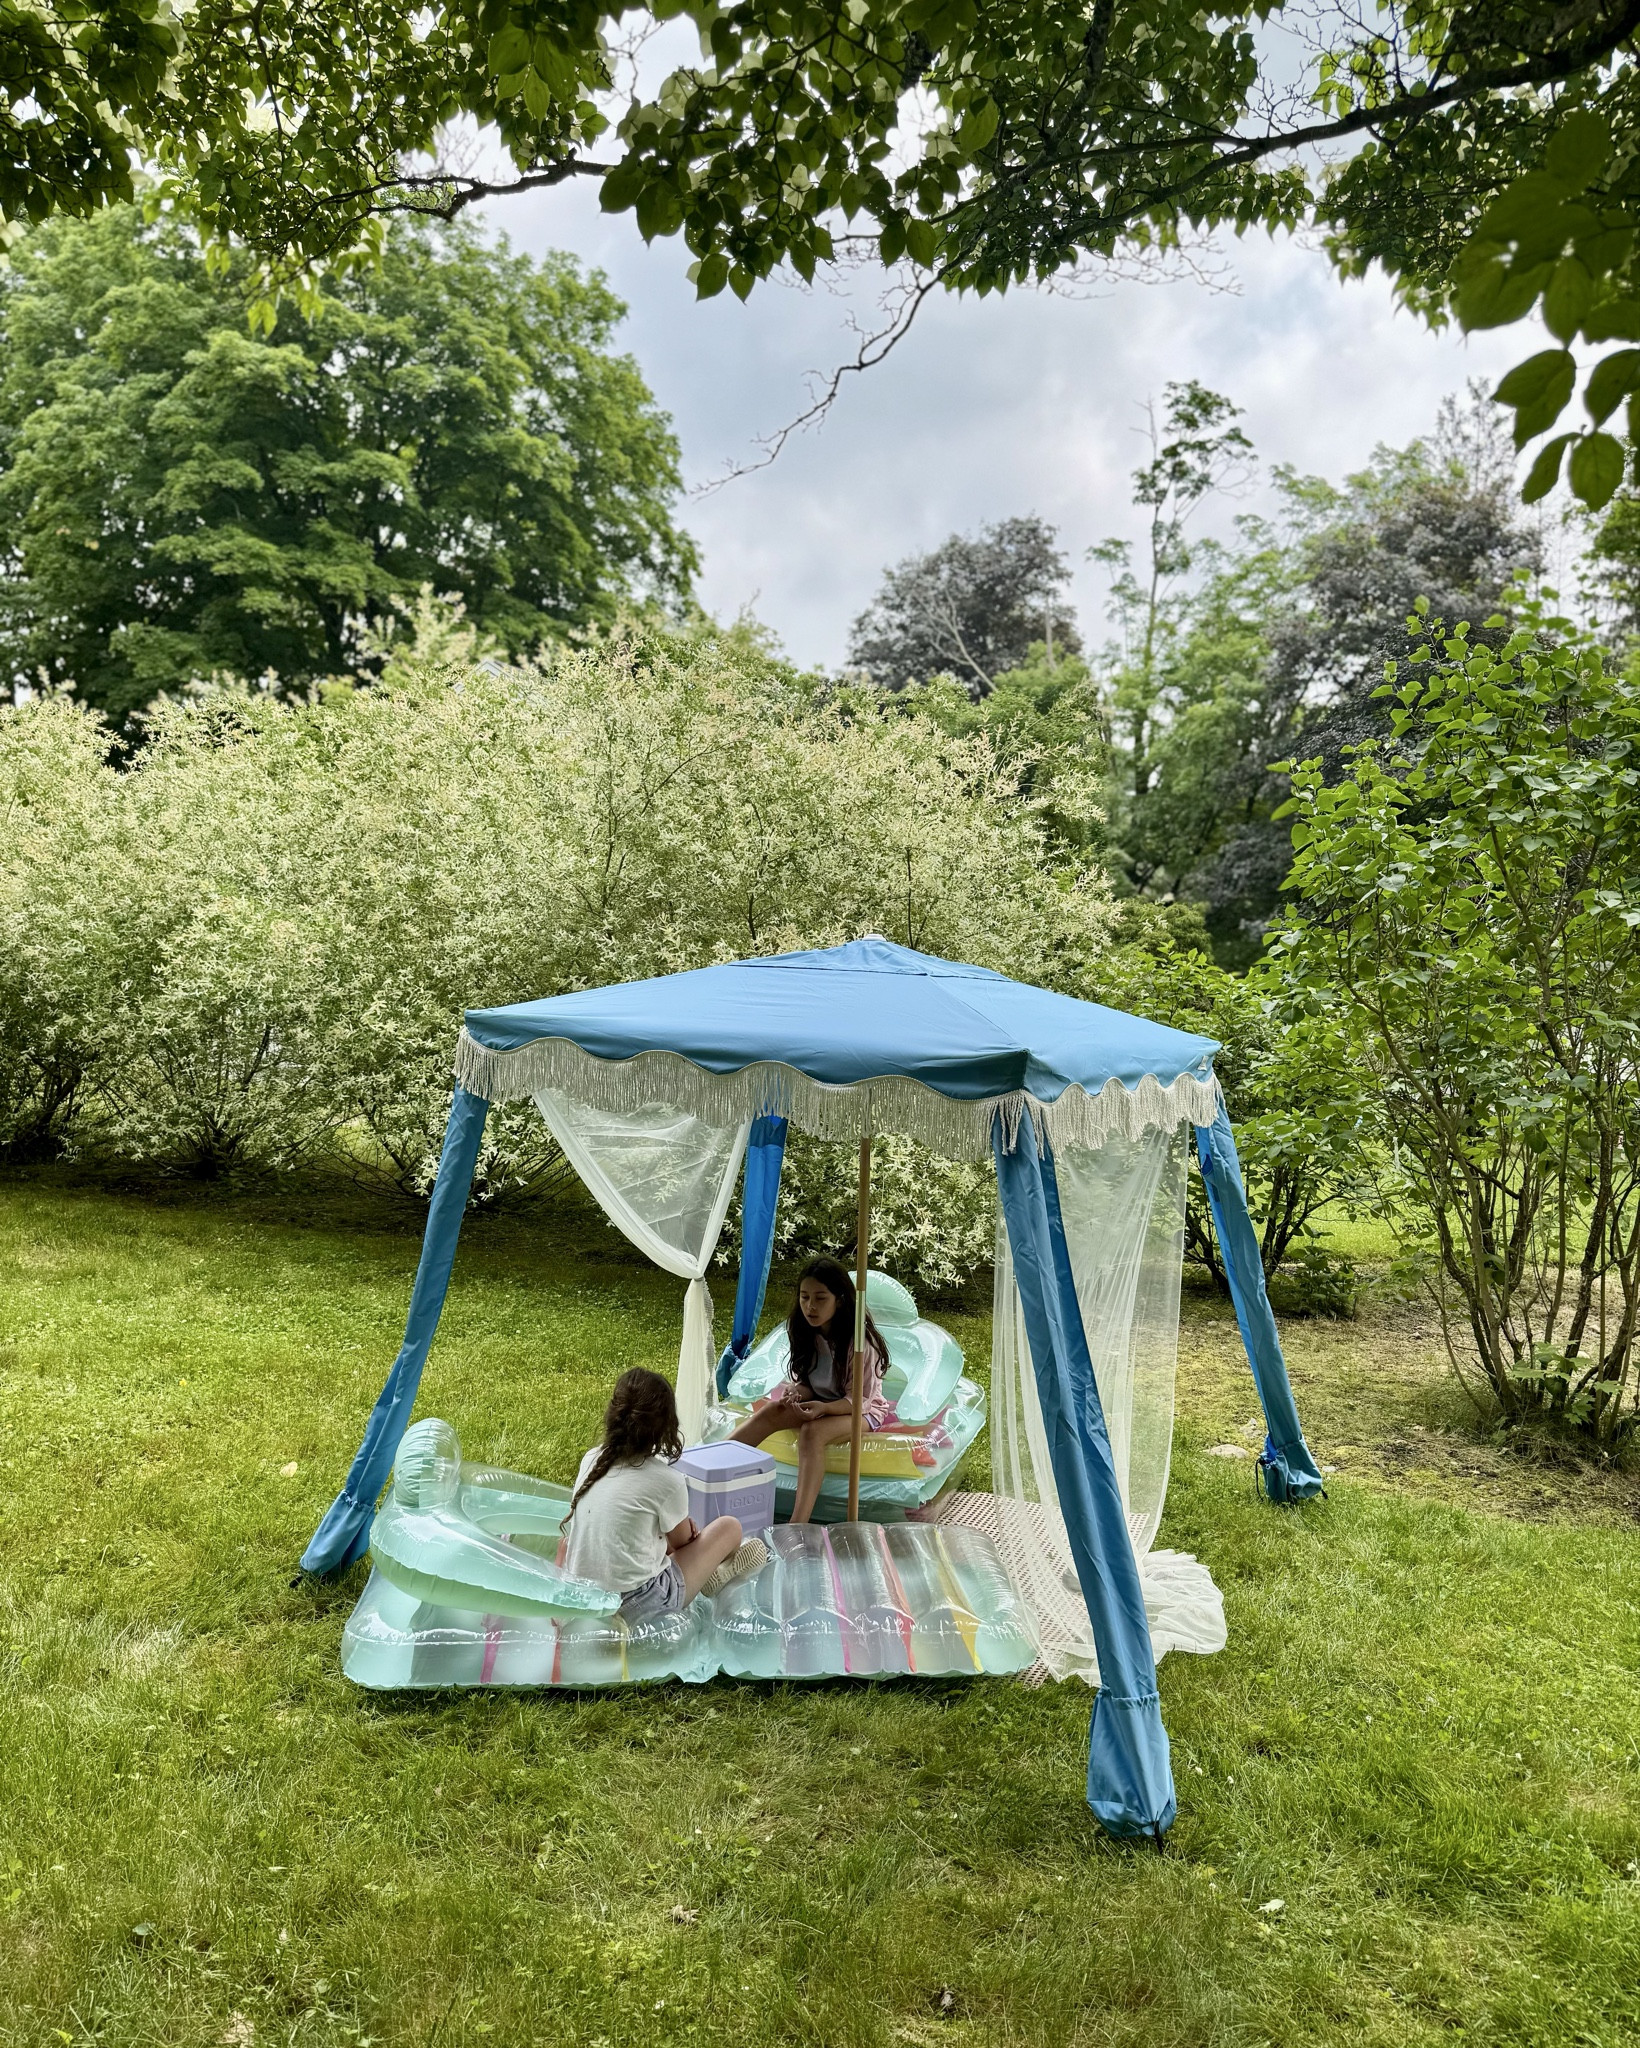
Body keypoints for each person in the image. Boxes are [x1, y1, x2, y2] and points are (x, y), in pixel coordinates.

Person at [561, 1368, 767, 1620]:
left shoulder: (592, 1459)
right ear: (666, 1427)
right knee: (729, 1527)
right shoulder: (667, 1480)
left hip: (585, 1598)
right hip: (638, 1604)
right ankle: (721, 1571)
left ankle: (715, 1571)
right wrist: (683, 1533)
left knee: (649, 1538)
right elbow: (682, 1544)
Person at [729, 1256, 895, 1523]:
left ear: (839, 1300)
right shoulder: (805, 1331)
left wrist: (824, 1409)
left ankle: (798, 1523)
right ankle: (711, 1464)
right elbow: (809, 1381)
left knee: (812, 1432)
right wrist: (797, 1392)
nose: (810, 1306)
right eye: (804, 1297)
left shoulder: (860, 1343)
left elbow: (859, 1400)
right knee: (772, 1410)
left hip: (861, 1411)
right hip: (823, 1400)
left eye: (820, 1298)